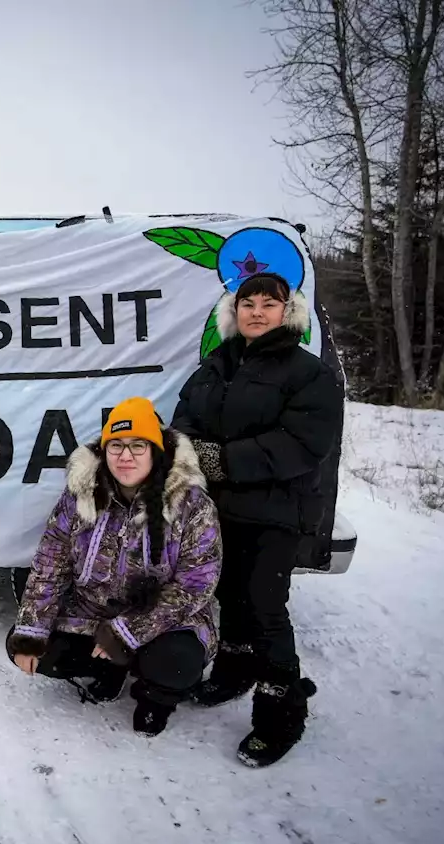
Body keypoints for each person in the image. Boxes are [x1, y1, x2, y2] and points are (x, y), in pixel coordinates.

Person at [173, 271, 342, 767]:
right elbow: (184, 420)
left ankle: (280, 715)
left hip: (276, 511)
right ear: (234, 311)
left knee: (266, 607)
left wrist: (222, 460)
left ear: (288, 313)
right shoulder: (214, 365)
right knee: (229, 596)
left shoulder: (308, 373)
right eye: (248, 303)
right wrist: (192, 452)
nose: (257, 312)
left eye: (270, 304)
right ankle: (232, 672)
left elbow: (303, 443)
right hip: (216, 510)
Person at [7, 397, 222, 737]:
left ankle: (156, 698)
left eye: (138, 446)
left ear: (156, 450)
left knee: (175, 663)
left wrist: (126, 632)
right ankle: (110, 669)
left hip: (164, 621)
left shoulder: (192, 503)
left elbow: (196, 585)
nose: (125, 456)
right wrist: (31, 631)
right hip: (92, 611)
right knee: (30, 646)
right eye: (116, 446)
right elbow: (51, 562)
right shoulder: (81, 495)